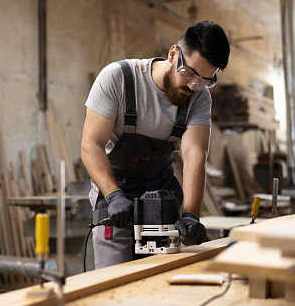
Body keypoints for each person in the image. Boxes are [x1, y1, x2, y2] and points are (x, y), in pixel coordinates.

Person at [81, 20, 230, 269]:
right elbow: (91, 145)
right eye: (190, 73)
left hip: (161, 195)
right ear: (174, 54)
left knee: (162, 275)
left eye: (206, 79)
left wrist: (191, 214)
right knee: (112, 278)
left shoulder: (199, 97)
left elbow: (195, 155)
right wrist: (114, 195)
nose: (194, 86)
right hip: (115, 190)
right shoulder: (119, 78)